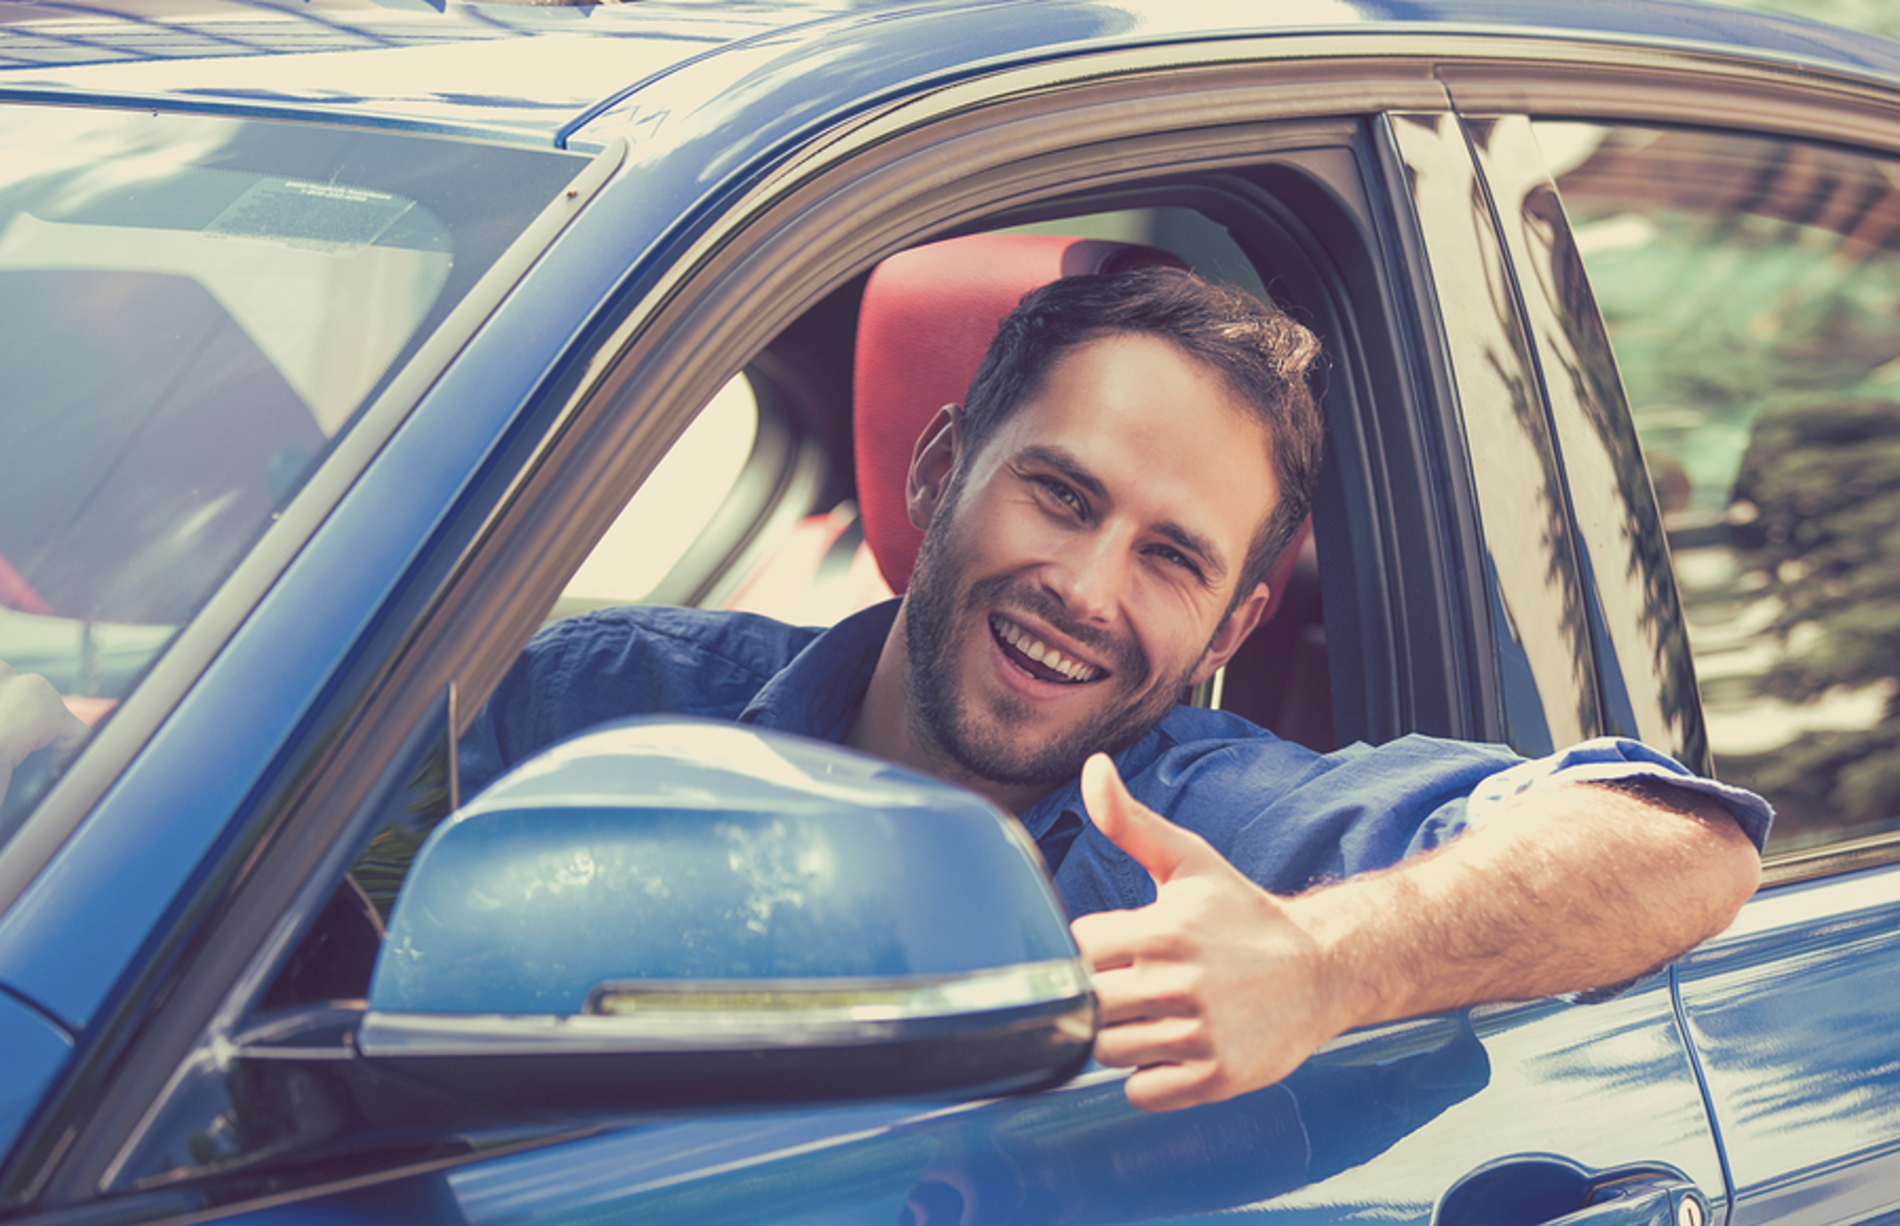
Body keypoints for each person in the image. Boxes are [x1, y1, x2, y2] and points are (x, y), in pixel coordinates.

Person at [0, 268, 1768, 1114]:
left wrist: (1322, 961)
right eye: (1058, 494)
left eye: (1170, 555)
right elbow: (290, 863)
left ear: (1232, 619)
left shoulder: (1210, 822)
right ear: (939, 472)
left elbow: (1679, 848)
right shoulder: (601, 701)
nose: (1085, 588)